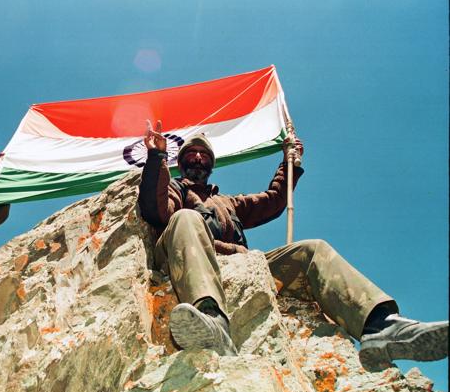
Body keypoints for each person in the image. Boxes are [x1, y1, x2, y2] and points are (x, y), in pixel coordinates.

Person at [138, 122, 448, 368]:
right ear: (181, 162)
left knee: (312, 249)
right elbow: (155, 210)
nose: (197, 159)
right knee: (186, 220)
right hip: (189, 257)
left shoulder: (228, 202)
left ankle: (379, 327)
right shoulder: (175, 190)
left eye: (204, 155)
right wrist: (156, 159)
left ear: (211, 165)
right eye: (191, 154)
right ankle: (212, 319)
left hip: (242, 262)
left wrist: (290, 164)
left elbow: (273, 202)